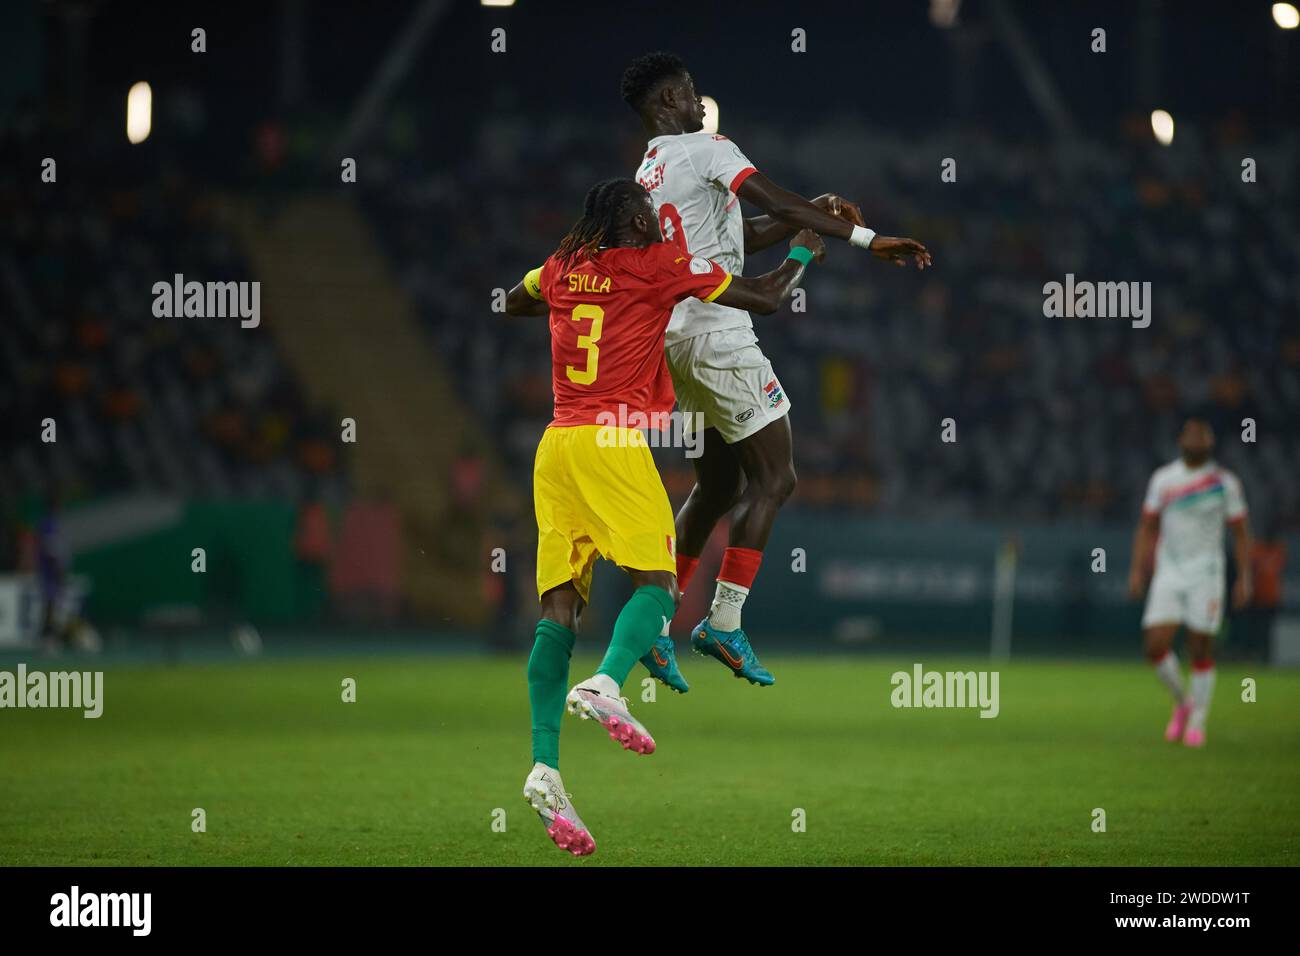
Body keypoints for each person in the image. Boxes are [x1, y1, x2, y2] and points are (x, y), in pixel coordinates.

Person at [504, 178, 825, 855]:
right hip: (613, 443)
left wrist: (574, 302)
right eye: (647, 212)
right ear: (630, 219)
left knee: (559, 607)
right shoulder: (656, 268)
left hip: (556, 446)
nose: (656, 219)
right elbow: (766, 297)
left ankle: (544, 767)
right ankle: (606, 684)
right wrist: (803, 250)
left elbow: (513, 302)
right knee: (659, 585)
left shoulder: (561, 266)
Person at [622, 51, 930, 688]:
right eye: (686, 92)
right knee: (777, 478)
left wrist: (800, 212)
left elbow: (731, 237)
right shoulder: (706, 148)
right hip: (720, 337)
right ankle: (723, 623)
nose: (696, 101)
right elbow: (770, 197)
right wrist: (868, 241)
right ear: (665, 102)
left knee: (714, 488)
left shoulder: (648, 171)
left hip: (675, 339)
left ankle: (655, 625)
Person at [1127, 418, 1252, 748]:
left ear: (1209, 444)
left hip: (1207, 574)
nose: (1195, 440)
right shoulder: (1164, 479)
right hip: (1169, 572)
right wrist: (1138, 570)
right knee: (1155, 645)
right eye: (1190, 434)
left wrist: (1245, 576)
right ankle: (1183, 702)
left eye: (1202, 436)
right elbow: (1147, 526)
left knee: (1200, 648)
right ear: (1180, 440)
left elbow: (1240, 532)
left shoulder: (1225, 483)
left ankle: (1198, 720)